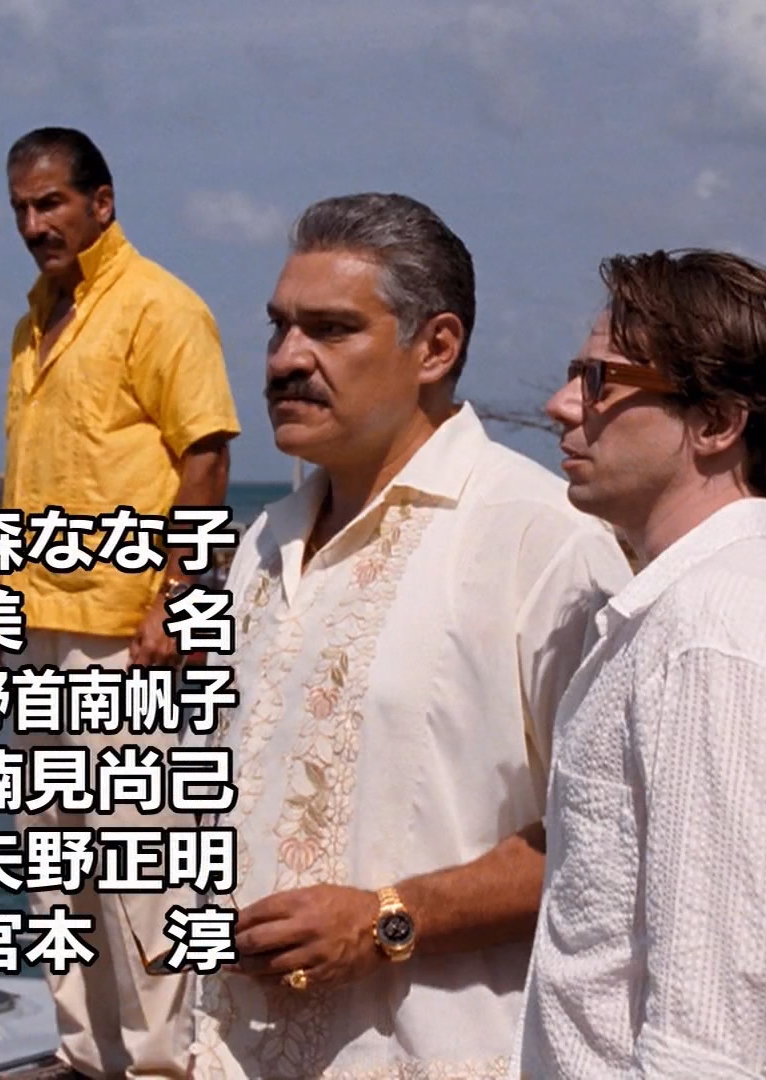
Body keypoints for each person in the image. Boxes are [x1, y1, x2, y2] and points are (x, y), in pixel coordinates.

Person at [184, 192, 632, 1078]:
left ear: (436, 347)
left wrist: (387, 919)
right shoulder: (262, 542)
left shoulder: (540, 540)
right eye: (278, 327)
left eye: (330, 329)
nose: (285, 359)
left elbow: (617, 839)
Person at [515, 249, 766, 1076]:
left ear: (718, 422)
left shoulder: (717, 627)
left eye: (599, 380)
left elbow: (716, 1033)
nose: (560, 405)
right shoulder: (728, 608)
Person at [0, 126, 241, 1080]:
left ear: (101, 201)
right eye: (21, 207)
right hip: (38, 627)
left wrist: (173, 598)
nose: (34, 223)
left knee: (142, 867)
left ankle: (163, 1065)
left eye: (50, 202)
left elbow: (205, 457)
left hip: (129, 639)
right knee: (54, 865)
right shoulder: (33, 325)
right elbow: (26, 478)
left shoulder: (160, 306)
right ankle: (84, 1055)